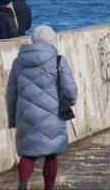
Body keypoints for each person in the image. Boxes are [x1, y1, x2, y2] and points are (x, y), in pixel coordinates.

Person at [6, 25, 78, 190]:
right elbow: (70, 89)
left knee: (27, 154)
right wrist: (71, 102)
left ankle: (23, 181)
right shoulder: (58, 60)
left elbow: (11, 94)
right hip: (52, 115)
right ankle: (48, 188)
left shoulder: (18, 63)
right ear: (51, 40)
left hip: (25, 115)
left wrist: (12, 119)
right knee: (51, 155)